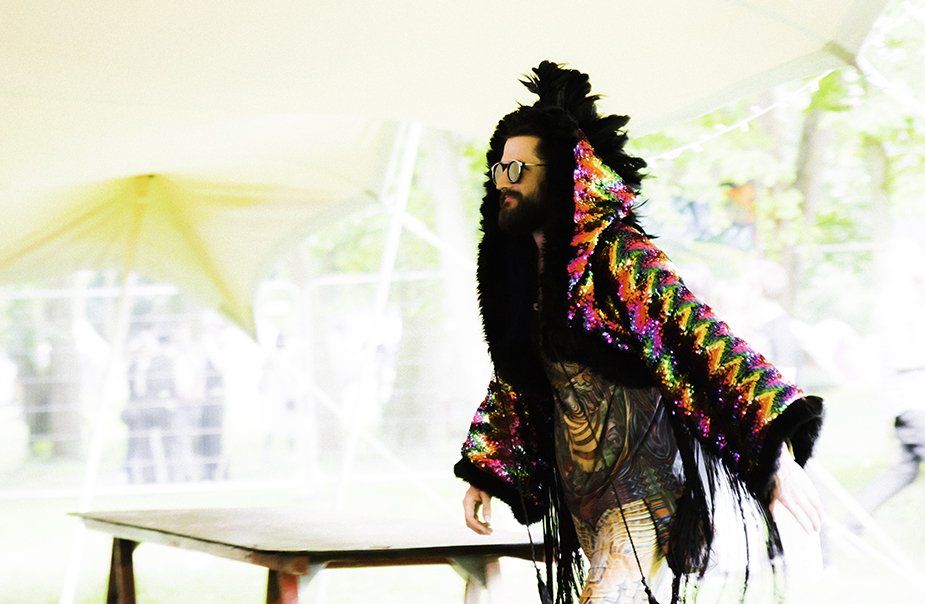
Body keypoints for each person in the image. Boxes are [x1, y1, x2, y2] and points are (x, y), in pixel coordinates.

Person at [454, 62, 825, 604]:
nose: (504, 182)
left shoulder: (616, 254)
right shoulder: (520, 279)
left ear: (561, 175)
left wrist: (776, 451)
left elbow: (700, 335)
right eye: (498, 170)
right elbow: (517, 379)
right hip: (584, 493)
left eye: (519, 170)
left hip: (647, 487)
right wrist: (484, 470)